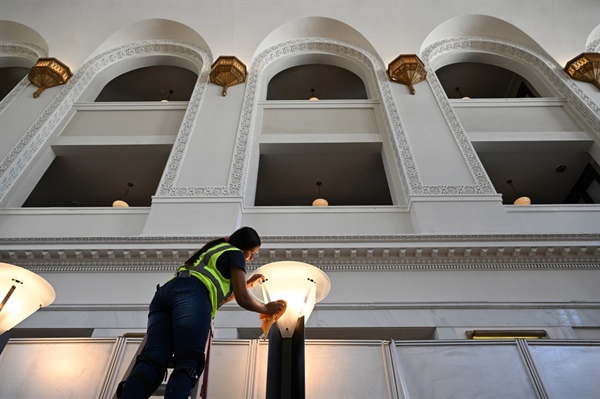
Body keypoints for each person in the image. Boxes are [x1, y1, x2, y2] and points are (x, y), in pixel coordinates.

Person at [119, 226, 287, 399]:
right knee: (188, 361)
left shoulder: (214, 250)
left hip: (165, 295)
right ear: (244, 247)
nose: (251, 258)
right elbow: (243, 298)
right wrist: (266, 308)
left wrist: (248, 284)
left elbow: (222, 293)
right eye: (252, 252)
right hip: (192, 294)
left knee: (153, 360)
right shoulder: (236, 253)